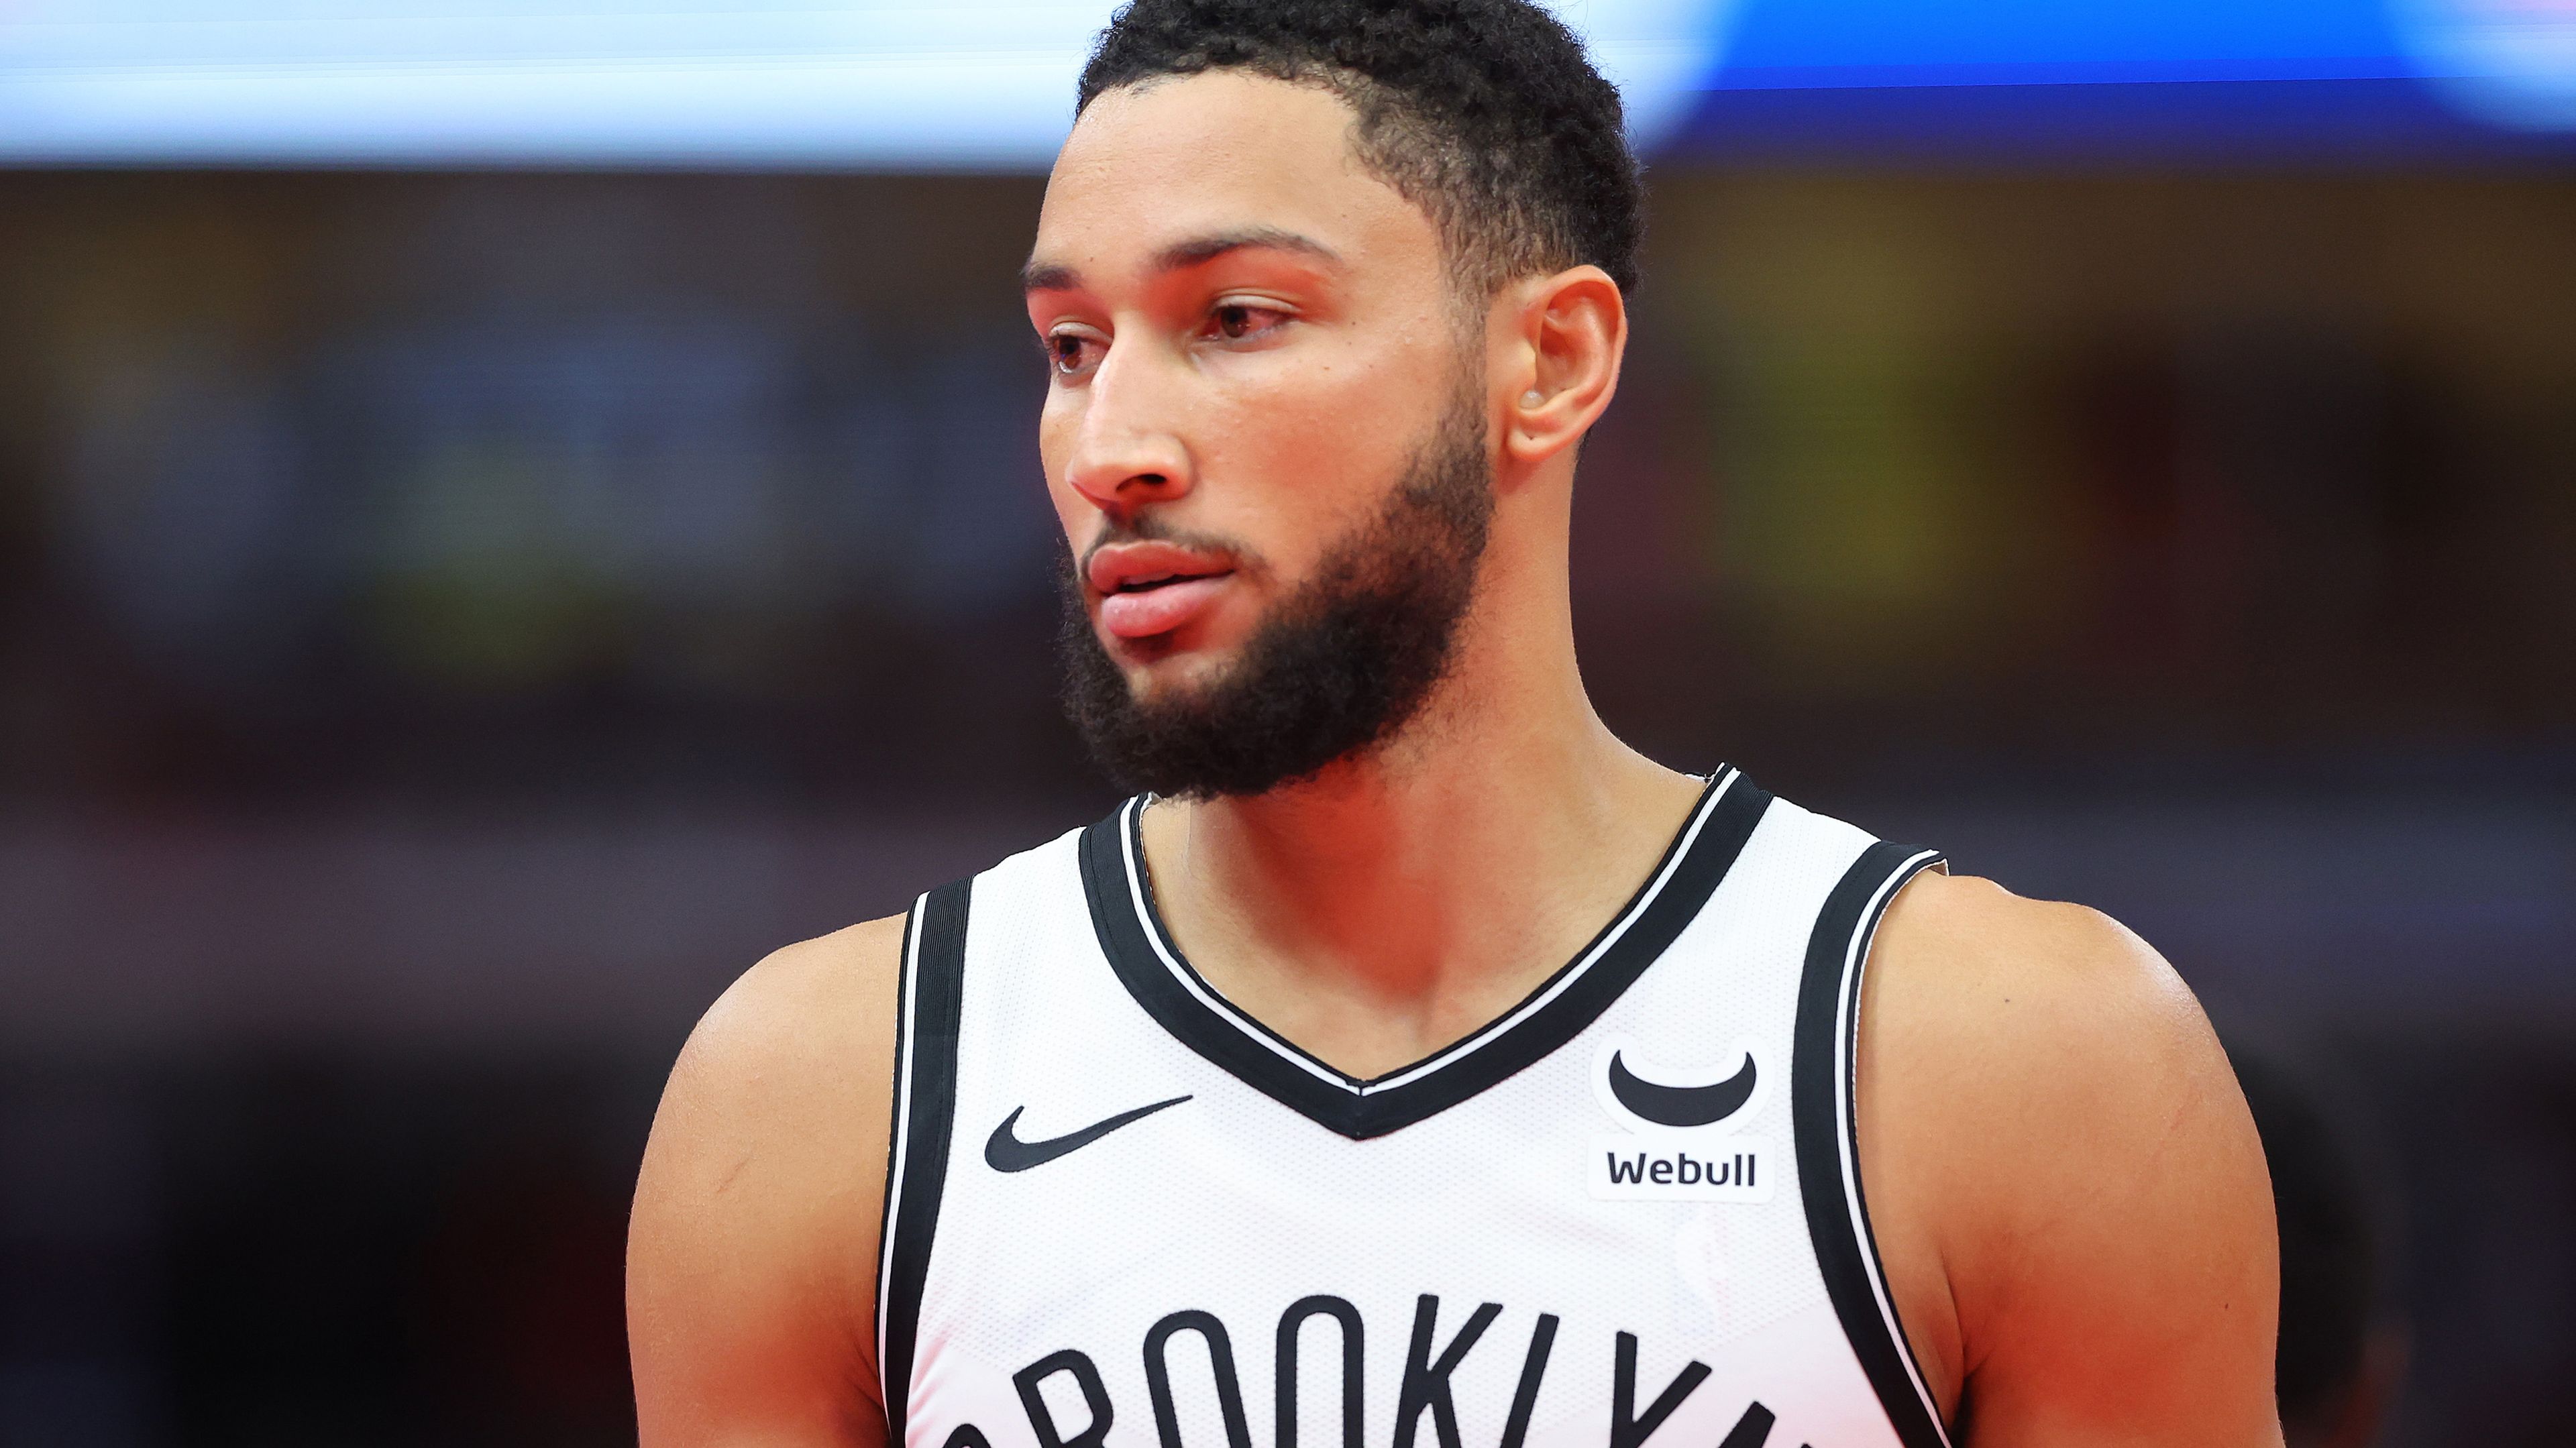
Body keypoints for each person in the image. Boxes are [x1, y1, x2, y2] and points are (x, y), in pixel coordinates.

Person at [627, 3, 2282, 1445]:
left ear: (1550, 360)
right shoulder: (819, 1103)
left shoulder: (2017, 1068)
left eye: (1238, 321)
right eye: (1073, 345)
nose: (1108, 441)